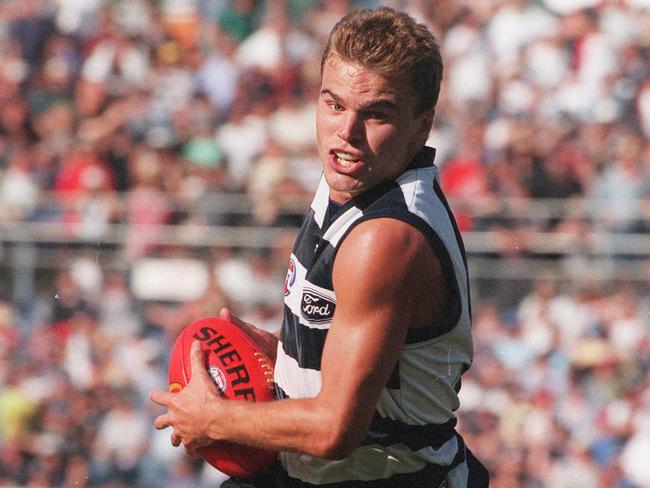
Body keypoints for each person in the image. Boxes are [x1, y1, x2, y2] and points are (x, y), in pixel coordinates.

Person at [150, 7, 489, 487]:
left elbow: (334, 429)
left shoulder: (385, 239)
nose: (346, 133)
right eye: (334, 105)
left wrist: (212, 418)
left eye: (376, 114)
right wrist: (280, 354)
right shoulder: (353, 179)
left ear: (422, 125)